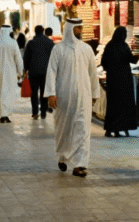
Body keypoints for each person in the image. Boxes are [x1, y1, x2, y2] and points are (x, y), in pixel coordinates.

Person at [44, 18, 99, 178]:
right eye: (78, 28)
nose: (80, 31)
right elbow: (51, 71)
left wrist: (94, 94)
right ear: (70, 29)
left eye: (81, 28)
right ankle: (63, 156)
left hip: (83, 96)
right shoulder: (58, 49)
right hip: (63, 97)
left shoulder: (86, 49)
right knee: (64, 129)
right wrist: (51, 93)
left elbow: (93, 73)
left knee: (82, 129)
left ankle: (80, 165)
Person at [100, 26, 139, 138]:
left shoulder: (110, 46)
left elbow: (104, 62)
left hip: (112, 80)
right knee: (123, 105)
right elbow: (130, 59)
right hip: (124, 80)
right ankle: (119, 129)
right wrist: (137, 57)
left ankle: (110, 129)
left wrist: (111, 71)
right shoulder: (124, 46)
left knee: (112, 105)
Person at [0, 25, 23, 123]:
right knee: (8, 93)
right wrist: (21, 72)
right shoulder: (13, 42)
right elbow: (18, 59)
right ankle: (6, 114)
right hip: (10, 72)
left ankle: (2, 114)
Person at [23, 25, 54, 120]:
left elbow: (26, 58)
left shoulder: (31, 43)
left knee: (34, 93)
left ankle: (35, 112)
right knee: (44, 93)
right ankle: (43, 112)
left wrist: (25, 69)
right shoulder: (50, 43)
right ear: (43, 31)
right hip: (46, 72)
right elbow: (54, 58)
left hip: (33, 71)